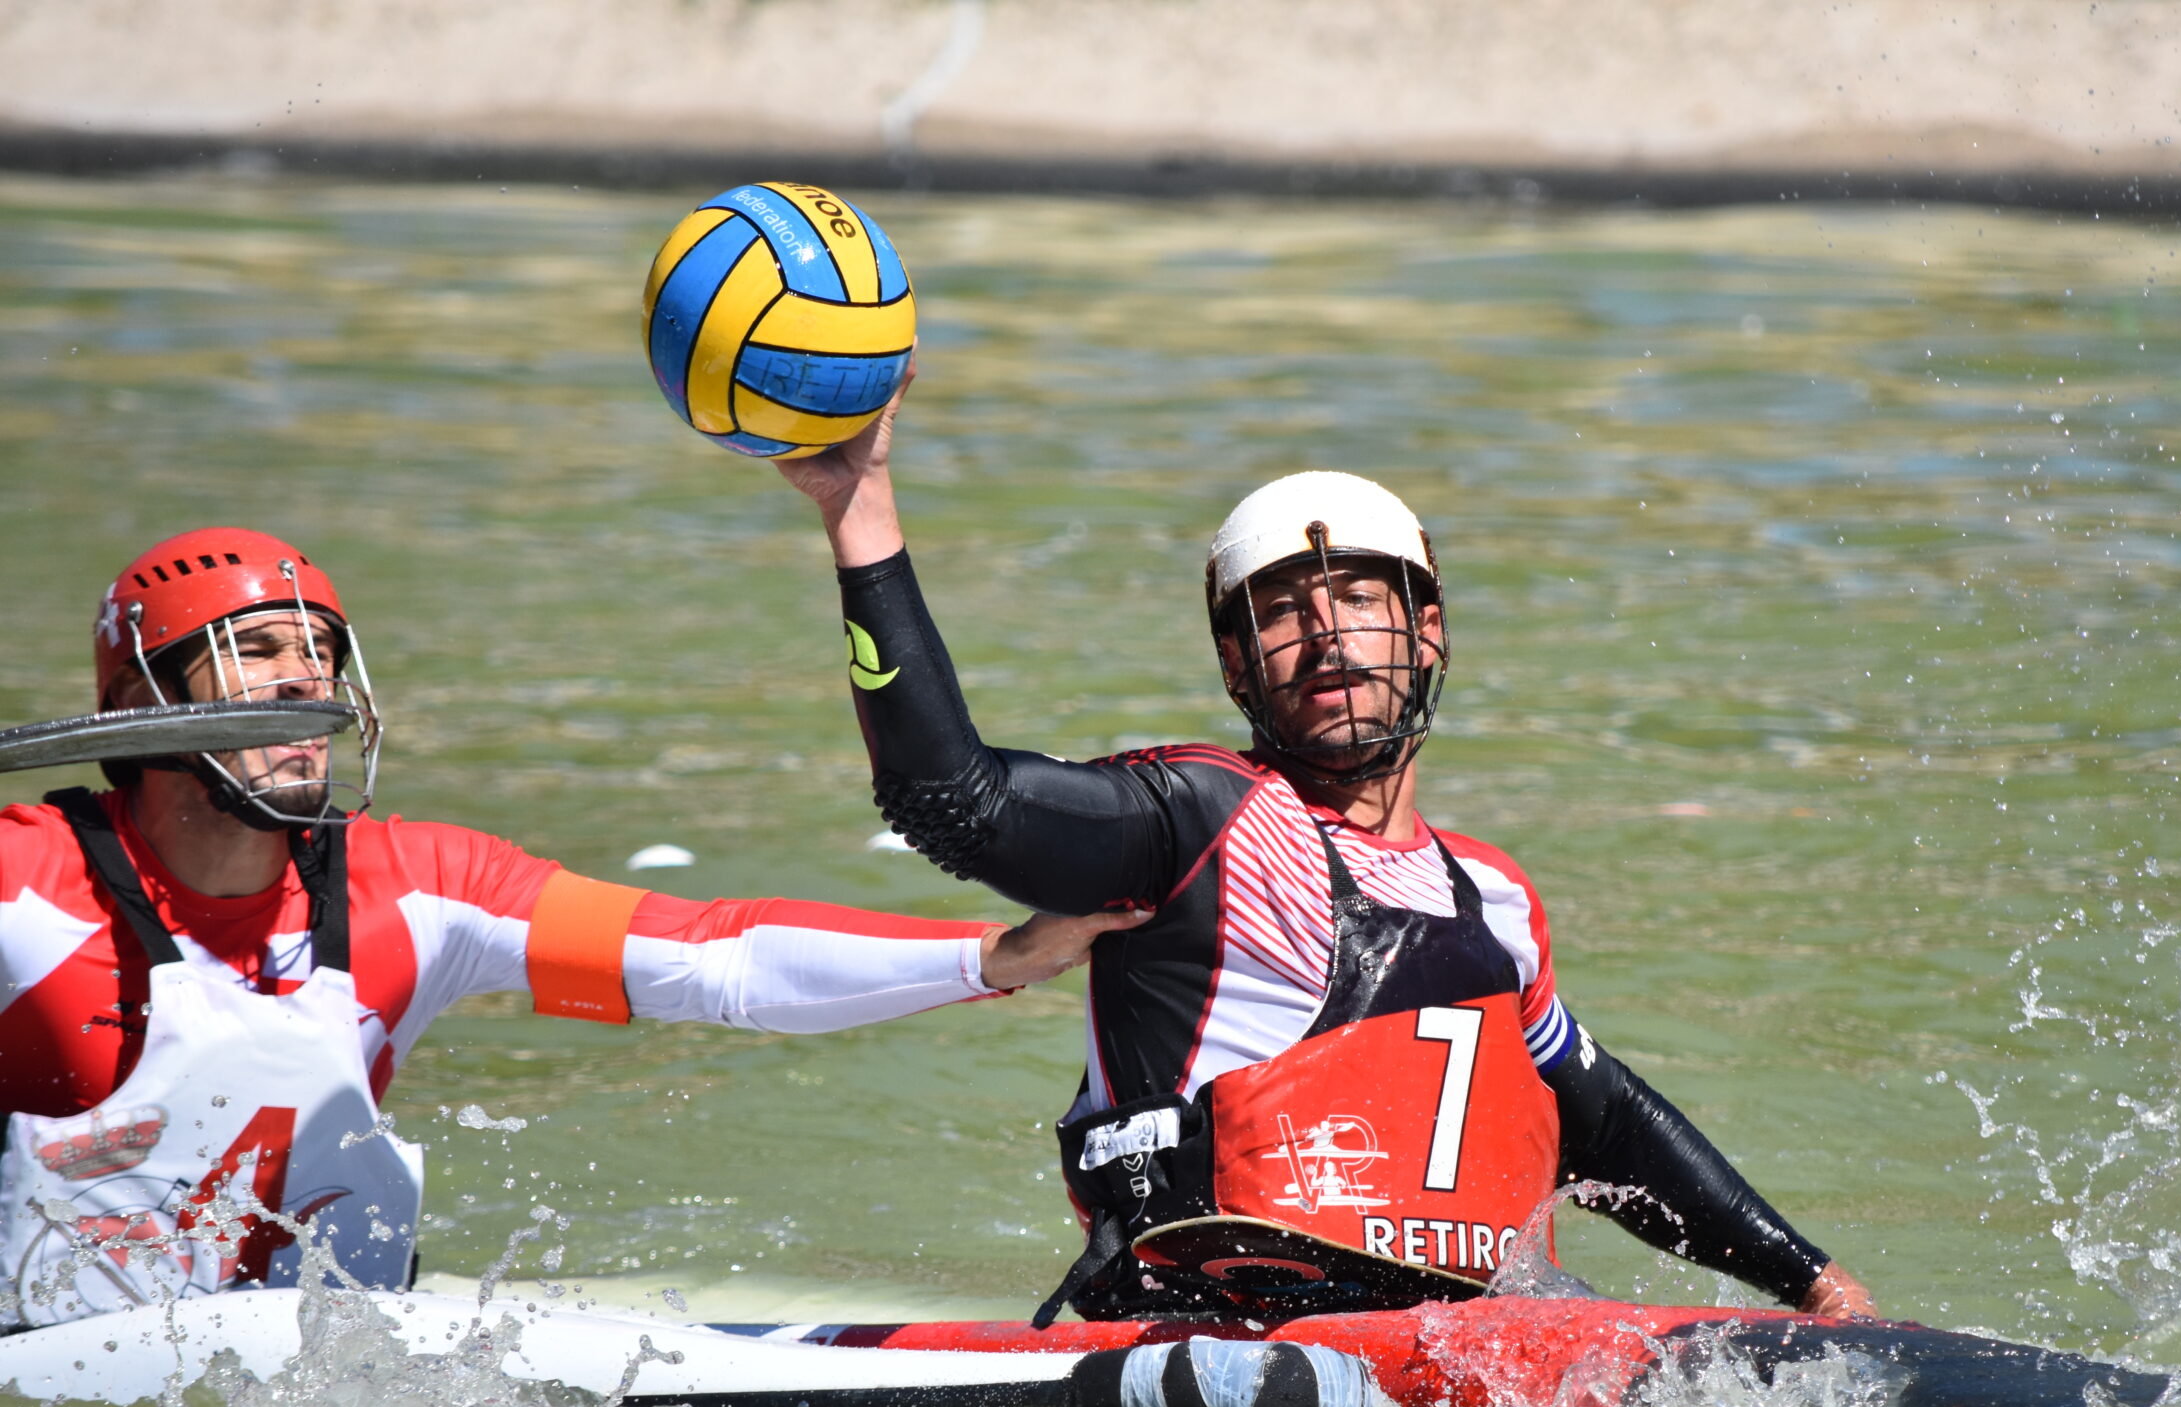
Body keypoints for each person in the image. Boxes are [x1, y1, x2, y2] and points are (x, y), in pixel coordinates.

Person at [778, 380, 1877, 1325]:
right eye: (1283, 614)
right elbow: (949, 803)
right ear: (1236, 665)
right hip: (1200, 1336)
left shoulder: (1493, 898)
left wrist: (1815, 1285)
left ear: (1426, 629)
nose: (1327, 636)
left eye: (1358, 597)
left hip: (1447, 1356)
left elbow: (1603, 1122)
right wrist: (859, 506)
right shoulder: (1193, 822)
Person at [0, 526, 1138, 1329]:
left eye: (321, 654)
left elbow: (719, 958)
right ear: (146, 704)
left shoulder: (418, 886)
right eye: (257, 651)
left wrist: (995, 958)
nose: (306, 683)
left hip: (305, 1394)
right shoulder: (27, 880)